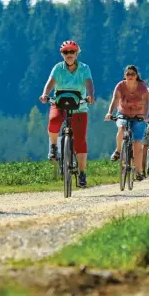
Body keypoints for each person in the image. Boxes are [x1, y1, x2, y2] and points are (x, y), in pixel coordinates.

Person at [39, 40, 95, 187]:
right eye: (66, 52)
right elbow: (50, 82)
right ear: (62, 54)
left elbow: (89, 83)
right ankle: (53, 146)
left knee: (80, 140)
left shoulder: (84, 68)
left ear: (77, 53)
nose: (69, 55)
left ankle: (82, 173)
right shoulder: (58, 68)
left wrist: (90, 95)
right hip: (60, 103)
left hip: (79, 106)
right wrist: (45, 94)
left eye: (72, 52)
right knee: (54, 120)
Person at [105, 65, 149, 181]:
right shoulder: (120, 85)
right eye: (128, 74)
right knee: (122, 127)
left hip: (138, 116)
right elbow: (115, 100)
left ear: (136, 76)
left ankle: (139, 171)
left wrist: (145, 115)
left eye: (132, 74)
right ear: (125, 75)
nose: (130, 76)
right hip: (123, 113)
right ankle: (119, 150)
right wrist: (109, 113)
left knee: (137, 143)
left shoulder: (142, 86)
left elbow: (146, 102)